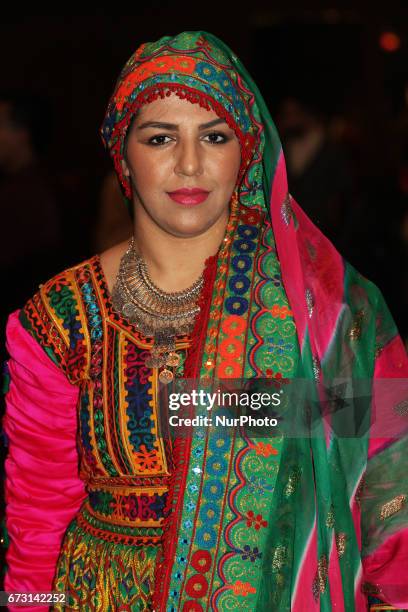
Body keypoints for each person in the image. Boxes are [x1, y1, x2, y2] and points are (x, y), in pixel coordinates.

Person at [2, 31, 408, 612]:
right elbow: (36, 513)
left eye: (213, 137)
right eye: (160, 137)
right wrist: (26, 604)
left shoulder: (318, 306)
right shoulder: (63, 315)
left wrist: (201, 403)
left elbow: (387, 462)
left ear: (245, 151)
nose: (189, 164)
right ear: (123, 150)